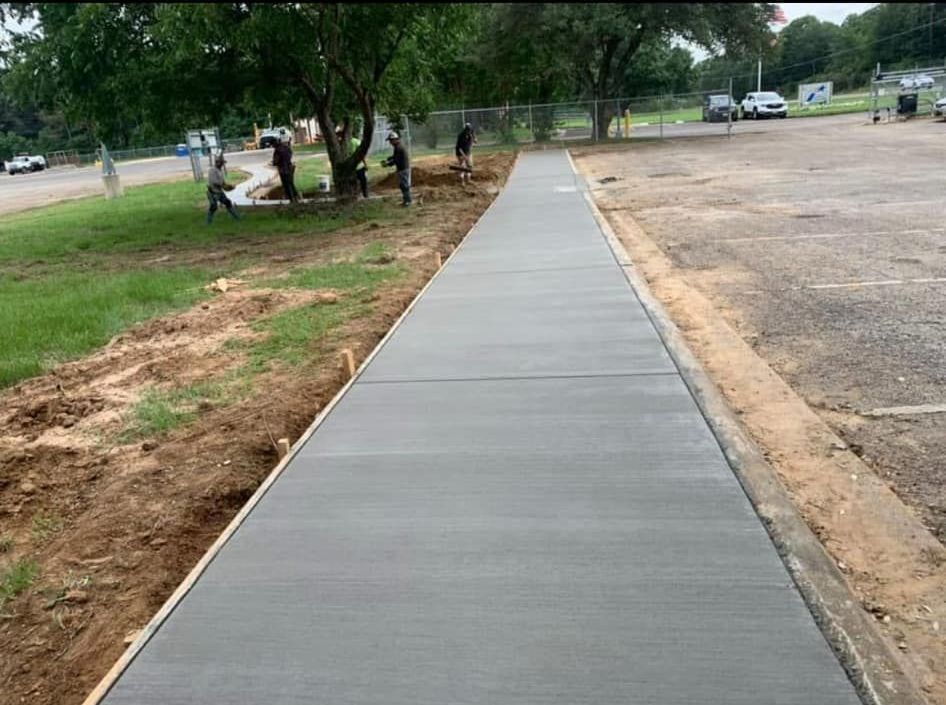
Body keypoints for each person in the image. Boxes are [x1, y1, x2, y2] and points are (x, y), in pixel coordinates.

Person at [336, 127, 369, 199]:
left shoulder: (342, 143)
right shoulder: (356, 141)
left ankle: (357, 195)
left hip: (352, 167)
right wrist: (365, 164)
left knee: (354, 182)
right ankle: (364, 194)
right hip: (357, 166)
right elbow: (362, 155)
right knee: (362, 181)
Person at [206, 154, 240, 224]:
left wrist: (228, 186)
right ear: (217, 163)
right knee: (213, 207)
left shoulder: (219, 170)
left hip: (219, 191)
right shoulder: (212, 170)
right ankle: (208, 222)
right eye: (221, 163)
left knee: (228, 202)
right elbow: (214, 182)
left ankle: (237, 217)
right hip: (213, 192)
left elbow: (222, 182)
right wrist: (223, 185)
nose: (222, 164)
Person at [382, 132, 411, 206]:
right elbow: (395, 157)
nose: (390, 142)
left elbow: (396, 160)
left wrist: (387, 164)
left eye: (391, 140)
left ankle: (407, 201)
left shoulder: (398, 147)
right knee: (403, 185)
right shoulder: (398, 146)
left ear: (395, 140)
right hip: (402, 168)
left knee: (404, 185)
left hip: (403, 169)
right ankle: (406, 200)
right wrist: (389, 158)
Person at [272, 136, 299, 203]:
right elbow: (290, 155)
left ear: (274, 144)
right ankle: (296, 197)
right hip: (290, 167)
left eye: (272, 145)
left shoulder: (277, 150)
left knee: (286, 185)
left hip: (283, 169)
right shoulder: (286, 147)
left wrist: (274, 163)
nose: (272, 146)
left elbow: (275, 161)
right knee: (291, 183)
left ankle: (291, 199)